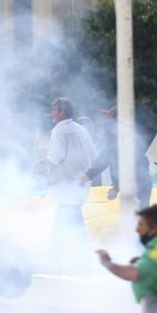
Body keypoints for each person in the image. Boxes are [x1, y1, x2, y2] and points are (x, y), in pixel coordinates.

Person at [40, 98, 97, 236]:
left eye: (53, 110)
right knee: (72, 222)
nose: (51, 113)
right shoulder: (82, 129)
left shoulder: (59, 131)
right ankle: (80, 252)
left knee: (63, 222)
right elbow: (94, 157)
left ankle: (57, 254)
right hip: (80, 185)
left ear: (62, 112)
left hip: (67, 186)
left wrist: (39, 163)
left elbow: (55, 158)